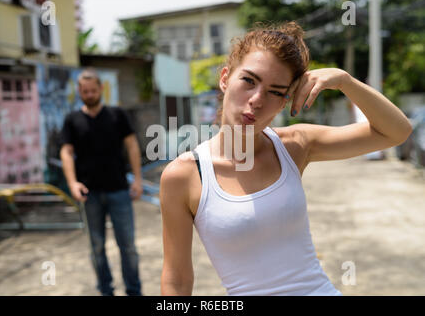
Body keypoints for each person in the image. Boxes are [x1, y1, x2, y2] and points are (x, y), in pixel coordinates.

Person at [159, 22, 412, 296]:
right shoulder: (185, 175)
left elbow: (396, 131)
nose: (256, 100)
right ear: (225, 78)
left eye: (275, 91)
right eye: (249, 81)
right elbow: (177, 279)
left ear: (285, 101)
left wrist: (345, 81)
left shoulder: (294, 145)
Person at [60, 68, 143, 296]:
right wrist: (72, 183)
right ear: (80, 92)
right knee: (96, 248)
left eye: (93, 90)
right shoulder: (72, 120)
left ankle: (134, 291)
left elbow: (132, 145)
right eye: (85, 91)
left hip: (119, 190)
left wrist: (137, 178)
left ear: (100, 90)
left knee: (128, 247)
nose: (89, 94)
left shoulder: (117, 115)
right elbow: (66, 152)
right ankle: (105, 291)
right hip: (89, 194)